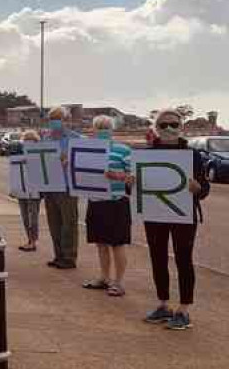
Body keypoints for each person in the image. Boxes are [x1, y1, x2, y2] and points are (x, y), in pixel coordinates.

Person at [143, 108, 210, 330]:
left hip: (183, 214)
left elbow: (204, 189)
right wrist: (131, 183)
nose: (169, 128)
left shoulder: (193, 155)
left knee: (183, 259)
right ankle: (163, 304)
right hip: (154, 214)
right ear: (156, 128)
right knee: (157, 257)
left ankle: (183, 309)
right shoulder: (146, 154)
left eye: (174, 124)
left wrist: (198, 187)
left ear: (181, 127)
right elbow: (134, 190)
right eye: (164, 125)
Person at [82, 116, 132, 296]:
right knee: (101, 243)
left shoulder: (123, 150)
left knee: (117, 244)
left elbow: (132, 177)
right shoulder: (87, 151)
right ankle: (104, 277)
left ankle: (118, 282)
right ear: (93, 129)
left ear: (111, 129)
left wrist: (117, 176)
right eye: (98, 127)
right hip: (96, 201)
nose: (101, 130)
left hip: (116, 202)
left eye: (105, 127)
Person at [43, 106, 81, 269]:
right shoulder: (46, 139)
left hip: (67, 186)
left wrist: (69, 160)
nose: (54, 122)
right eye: (52, 119)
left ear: (66, 121)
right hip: (50, 186)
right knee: (54, 223)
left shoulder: (76, 139)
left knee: (69, 223)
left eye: (58, 119)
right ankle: (58, 255)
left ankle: (69, 256)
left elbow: (84, 160)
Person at [15, 129, 42, 252]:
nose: (28, 144)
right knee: (25, 217)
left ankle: (33, 241)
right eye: (26, 142)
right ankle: (29, 239)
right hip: (22, 190)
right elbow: (14, 174)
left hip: (34, 191)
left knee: (33, 217)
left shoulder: (40, 156)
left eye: (30, 142)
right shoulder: (19, 155)